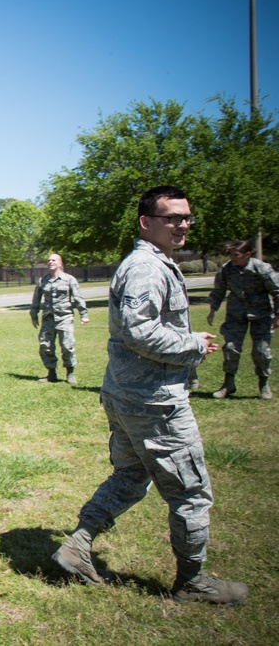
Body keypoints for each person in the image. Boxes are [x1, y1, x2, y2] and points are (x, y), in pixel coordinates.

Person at [52, 185, 248, 606]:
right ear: (147, 222)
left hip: (131, 395)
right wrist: (192, 343)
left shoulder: (153, 263)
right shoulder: (146, 267)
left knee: (131, 475)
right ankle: (193, 584)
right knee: (191, 492)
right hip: (154, 401)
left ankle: (77, 546)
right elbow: (139, 331)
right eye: (171, 218)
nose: (182, 225)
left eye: (186, 217)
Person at [206, 239, 279, 400]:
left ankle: (263, 384)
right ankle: (228, 384)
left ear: (247, 254)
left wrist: (277, 315)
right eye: (230, 254)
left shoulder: (262, 268)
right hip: (236, 314)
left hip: (261, 315)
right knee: (230, 348)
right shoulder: (227, 269)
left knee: (261, 351)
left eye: (236, 254)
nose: (232, 257)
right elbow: (219, 290)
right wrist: (212, 310)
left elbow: (277, 291)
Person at [30, 253, 89, 384]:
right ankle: (51, 373)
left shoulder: (69, 279)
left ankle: (70, 372)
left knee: (67, 345)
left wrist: (83, 314)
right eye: (48, 260)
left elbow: (78, 298)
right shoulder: (42, 280)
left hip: (64, 317)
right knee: (45, 346)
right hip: (48, 318)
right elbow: (36, 299)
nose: (50, 262)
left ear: (60, 263)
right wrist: (34, 316)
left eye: (53, 260)